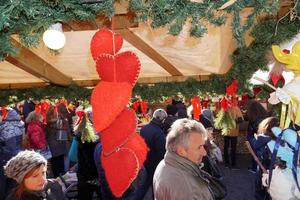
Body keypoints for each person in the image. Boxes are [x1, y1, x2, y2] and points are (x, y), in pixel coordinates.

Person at [153, 118, 214, 200]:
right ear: (181, 151)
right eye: (199, 147)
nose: (204, 152)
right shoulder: (187, 188)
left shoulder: (166, 162)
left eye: (203, 146)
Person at [139, 109, 167, 199]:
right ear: (163, 120)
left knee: (144, 185)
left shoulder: (144, 128)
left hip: (144, 160)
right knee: (154, 186)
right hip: (154, 163)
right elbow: (161, 152)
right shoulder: (158, 133)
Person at [73, 107, 101, 200]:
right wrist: (97, 174)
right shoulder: (87, 133)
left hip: (86, 174)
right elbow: (89, 158)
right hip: (90, 175)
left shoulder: (86, 130)